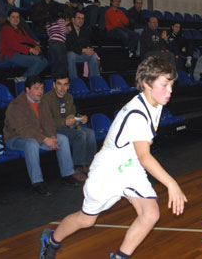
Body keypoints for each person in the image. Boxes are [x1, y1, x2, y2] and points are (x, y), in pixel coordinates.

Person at [39, 56, 187, 259]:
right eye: (165, 84)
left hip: (129, 165)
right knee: (87, 220)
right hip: (108, 171)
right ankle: (52, 240)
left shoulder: (156, 102)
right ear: (147, 84)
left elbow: (140, 151)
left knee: (150, 214)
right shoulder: (137, 114)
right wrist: (171, 184)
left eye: (171, 84)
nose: (170, 90)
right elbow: (144, 156)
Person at [3, 76, 83, 196]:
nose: (40, 91)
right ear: (27, 90)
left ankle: (67, 175)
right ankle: (37, 182)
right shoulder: (16, 105)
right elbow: (23, 130)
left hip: (38, 135)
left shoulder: (42, 102)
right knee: (31, 143)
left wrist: (52, 136)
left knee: (62, 139)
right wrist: (45, 139)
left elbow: (48, 122)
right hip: (15, 138)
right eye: (36, 88)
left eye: (41, 88)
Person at [42, 74, 97, 177]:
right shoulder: (46, 99)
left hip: (67, 128)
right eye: (59, 84)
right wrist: (64, 122)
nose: (62, 88)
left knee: (90, 133)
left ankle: (89, 164)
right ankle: (77, 167)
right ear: (54, 85)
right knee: (80, 135)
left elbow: (73, 114)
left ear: (68, 86)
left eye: (65, 84)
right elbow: (46, 122)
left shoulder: (69, 97)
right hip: (54, 130)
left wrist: (81, 118)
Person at [0, 10, 48, 82]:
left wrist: (36, 47)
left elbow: (28, 39)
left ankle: (25, 79)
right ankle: (23, 80)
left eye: (17, 17)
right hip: (9, 55)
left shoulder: (20, 29)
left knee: (44, 61)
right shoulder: (6, 29)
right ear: (8, 18)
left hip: (20, 53)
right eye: (13, 17)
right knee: (37, 61)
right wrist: (30, 49)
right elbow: (14, 45)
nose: (16, 19)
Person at [66, 10, 100, 78]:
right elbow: (68, 46)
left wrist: (89, 49)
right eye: (78, 18)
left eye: (82, 18)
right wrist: (83, 50)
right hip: (68, 55)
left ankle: (95, 81)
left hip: (80, 54)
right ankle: (74, 81)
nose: (81, 20)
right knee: (71, 55)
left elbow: (87, 42)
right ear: (73, 19)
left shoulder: (85, 30)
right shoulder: (67, 29)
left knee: (92, 56)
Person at [46, 5, 69, 77]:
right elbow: (63, 30)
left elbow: (48, 33)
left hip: (51, 43)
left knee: (55, 62)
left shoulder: (48, 22)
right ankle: (62, 78)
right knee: (62, 62)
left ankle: (55, 78)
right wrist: (68, 30)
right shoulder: (61, 20)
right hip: (59, 43)